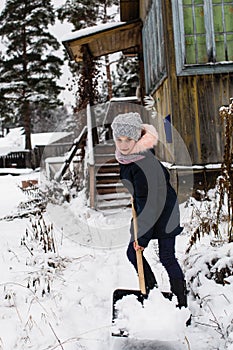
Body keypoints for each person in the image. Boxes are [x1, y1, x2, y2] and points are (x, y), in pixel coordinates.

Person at [111, 112, 187, 308]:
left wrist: (141, 238)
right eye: (119, 139)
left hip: (164, 213)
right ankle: (153, 295)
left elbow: (150, 203)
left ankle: (181, 305)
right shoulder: (128, 158)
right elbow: (143, 198)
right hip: (149, 208)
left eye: (128, 139)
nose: (124, 144)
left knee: (167, 257)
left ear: (137, 138)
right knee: (133, 252)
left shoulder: (142, 163)